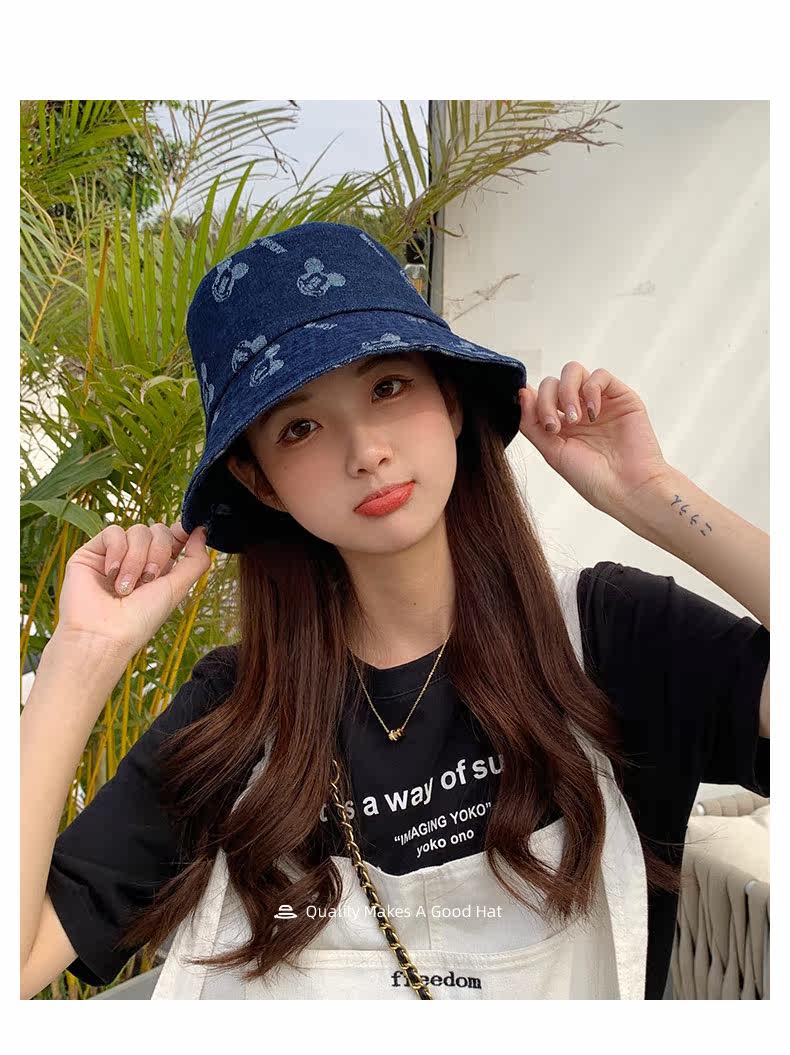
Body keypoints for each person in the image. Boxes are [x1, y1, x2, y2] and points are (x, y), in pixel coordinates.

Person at [21, 221, 770, 1001]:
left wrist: (654, 495)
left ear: (450, 399)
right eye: (300, 427)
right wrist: (83, 653)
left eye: (387, 387)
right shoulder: (235, 712)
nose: (365, 450)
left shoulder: (608, 636)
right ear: (261, 480)